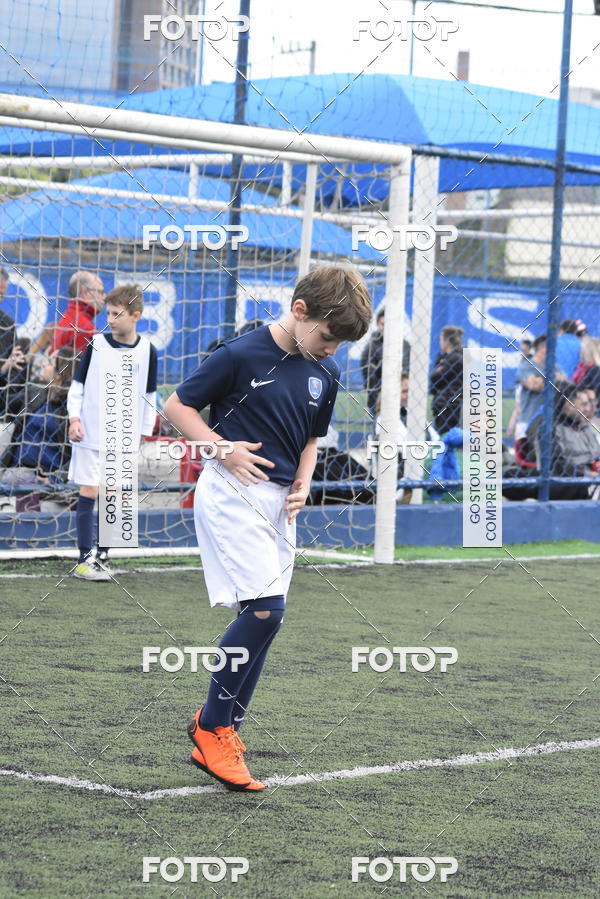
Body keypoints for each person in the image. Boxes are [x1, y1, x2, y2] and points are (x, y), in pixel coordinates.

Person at [164, 264, 372, 792]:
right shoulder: (240, 354)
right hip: (232, 493)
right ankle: (213, 728)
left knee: (267, 617)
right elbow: (177, 406)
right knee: (264, 608)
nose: (332, 349)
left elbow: (310, 439)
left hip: (282, 505)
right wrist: (220, 446)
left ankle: (222, 724)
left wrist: (304, 482)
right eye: (328, 336)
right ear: (299, 311)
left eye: (341, 343)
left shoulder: (326, 373)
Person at [67, 284, 157, 581]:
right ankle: (83, 558)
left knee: (115, 495)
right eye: (108, 313)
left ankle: (103, 555)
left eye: (117, 314)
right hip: (91, 434)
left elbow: (149, 394)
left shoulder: (148, 351)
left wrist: (143, 432)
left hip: (124, 437)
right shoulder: (95, 344)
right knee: (89, 490)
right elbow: (77, 387)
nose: (111, 319)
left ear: (136, 316)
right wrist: (74, 419)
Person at [30, 271, 105, 356]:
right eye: (100, 292)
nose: (104, 297)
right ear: (86, 293)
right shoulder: (85, 328)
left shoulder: (68, 318)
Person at [360, 307, 410, 419]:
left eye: (389, 324)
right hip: (379, 396)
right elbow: (369, 374)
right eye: (383, 324)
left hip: (402, 396)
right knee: (379, 428)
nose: (386, 328)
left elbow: (407, 369)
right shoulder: (371, 347)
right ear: (377, 325)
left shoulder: (405, 345)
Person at [430, 325, 463, 435]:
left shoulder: (455, 358)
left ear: (447, 341)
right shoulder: (446, 357)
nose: (440, 343)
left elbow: (435, 378)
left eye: (440, 340)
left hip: (448, 406)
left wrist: (440, 367)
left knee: (445, 439)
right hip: (447, 405)